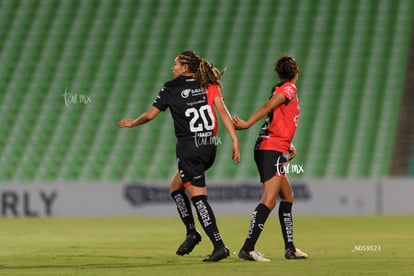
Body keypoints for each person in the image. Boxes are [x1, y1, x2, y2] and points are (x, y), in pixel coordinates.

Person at [118, 50, 240, 262]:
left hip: (189, 147)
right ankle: (192, 232)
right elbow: (223, 112)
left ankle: (219, 245)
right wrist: (235, 140)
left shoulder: (171, 87)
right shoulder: (207, 84)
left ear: (184, 67)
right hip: (209, 146)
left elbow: (150, 115)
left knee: (199, 198)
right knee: (175, 187)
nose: (172, 67)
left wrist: (133, 122)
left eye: (175, 64)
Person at [233, 54, 307, 262]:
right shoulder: (288, 89)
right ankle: (248, 248)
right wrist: (246, 124)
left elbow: (275, 118)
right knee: (269, 200)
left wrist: (288, 143)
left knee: (288, 196)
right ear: (296, 72)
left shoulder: (280, 89)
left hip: (275, 147)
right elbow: (267, 108)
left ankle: (290, 248)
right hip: (271, 150)